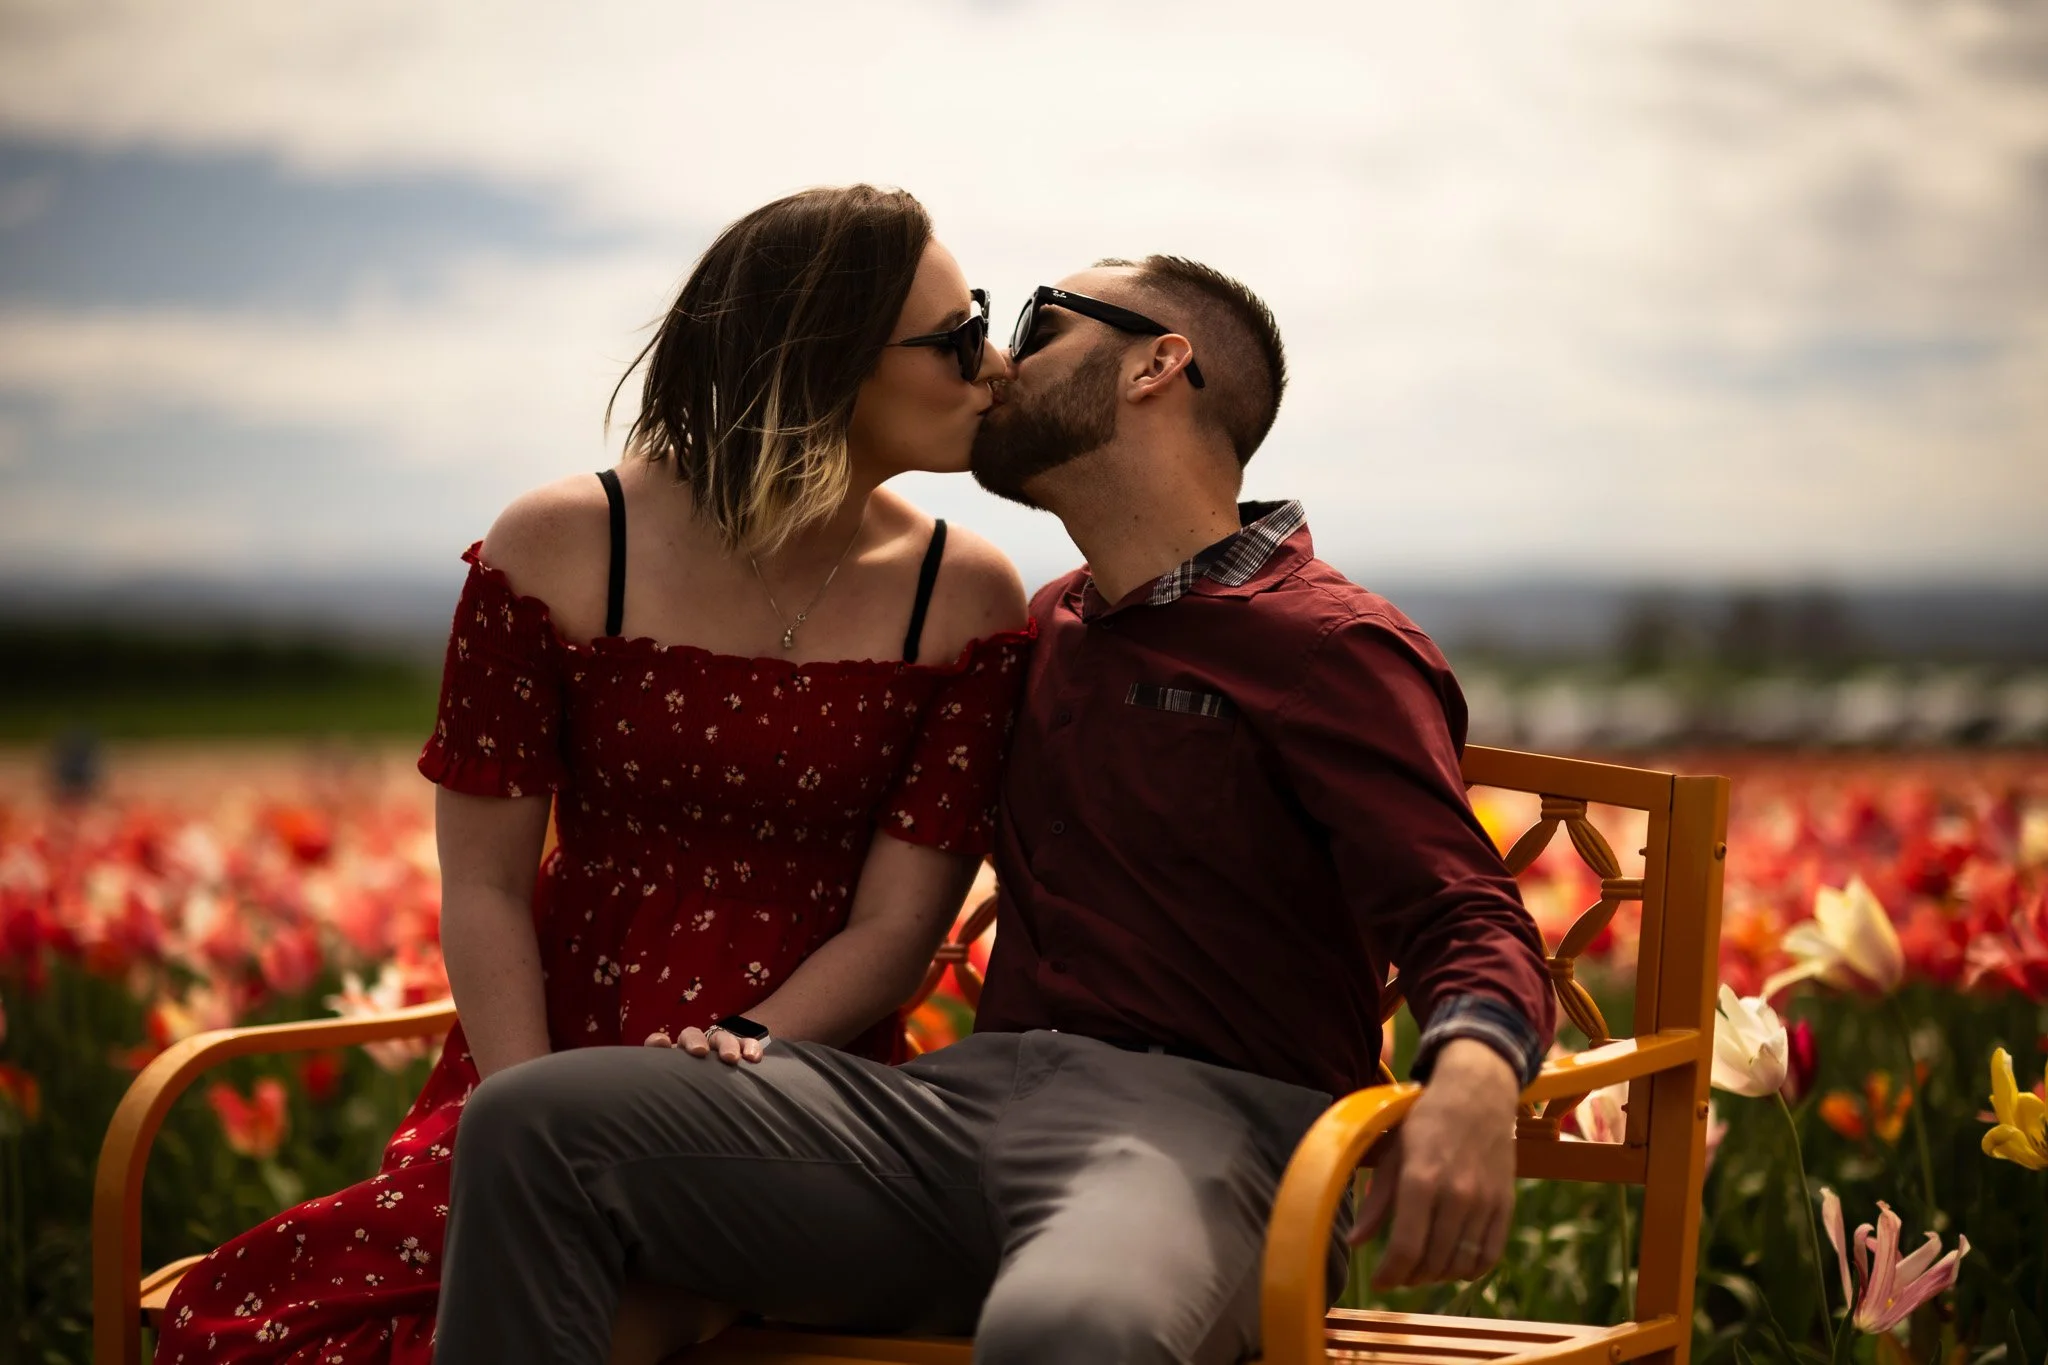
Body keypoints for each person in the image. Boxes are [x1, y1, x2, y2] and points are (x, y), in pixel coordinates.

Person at [430, 255, 1557, 1365]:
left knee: (1068, 1331)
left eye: (1041, 320)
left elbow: (1464, 909)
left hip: (1204, 1143)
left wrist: (1468, 1073)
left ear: (1157, 366)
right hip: (956, 1112)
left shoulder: (1323, 646)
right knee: (536, 1127)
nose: (999, 359)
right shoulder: (1041, 626)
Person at [151, 185, 1034, 1365]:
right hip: (544, 1043)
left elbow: (898, 922)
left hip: (797, 1061)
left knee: (633, 1301)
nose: (999, 366)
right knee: (281, 1322)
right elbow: (481, 885)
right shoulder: (562, 546)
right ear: (819, 362)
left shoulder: (966, 593)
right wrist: (524, 1117)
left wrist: (742, 1046)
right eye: (958, 337)